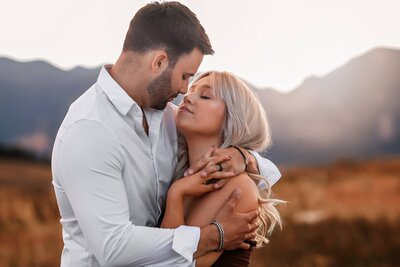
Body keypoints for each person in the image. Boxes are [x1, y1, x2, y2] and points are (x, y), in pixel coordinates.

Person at [51, 1, 281, 266]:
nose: (185, 91)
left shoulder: (168, 118)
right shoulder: (89, 130)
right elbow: (114, 248)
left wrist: (244, 157)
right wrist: (213, 235)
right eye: (185, 77)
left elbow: (240, 157)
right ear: (159, 62)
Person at [160, 71, 283, 266]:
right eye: (191, 92)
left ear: (232, 117)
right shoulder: (177, 174)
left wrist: (176, 194)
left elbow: (168, 263)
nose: (188, 97)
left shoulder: (237, 187)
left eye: (205, 96)